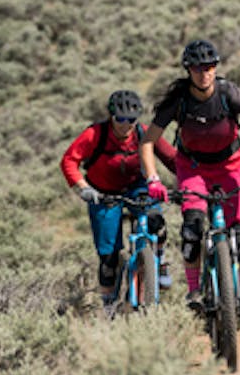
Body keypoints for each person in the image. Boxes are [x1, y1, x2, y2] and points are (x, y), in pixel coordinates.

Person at [140, 39, 240, 324]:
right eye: (197, 68)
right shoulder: (179, 101)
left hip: (231, 167)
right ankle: (194, 292)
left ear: (215, 67)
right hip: (193, 168)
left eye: (209, 67)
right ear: (188, 70)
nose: (204, 73)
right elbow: (148, 142)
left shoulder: (228, 93)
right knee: (192, 232)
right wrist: (153, 179)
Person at [60, 90, 179, 317]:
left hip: (138, 188)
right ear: (111, 116)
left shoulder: (144, 132)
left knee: (156, 223)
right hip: (102, 193)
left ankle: (159, 261)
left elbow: (172, 159)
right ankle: (108, 306)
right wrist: (83, 189)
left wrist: (188, 180)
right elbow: (69, 161)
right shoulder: (95, 134)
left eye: (131, 120)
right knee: (109, 258)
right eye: (120, 120)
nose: (126, 125)